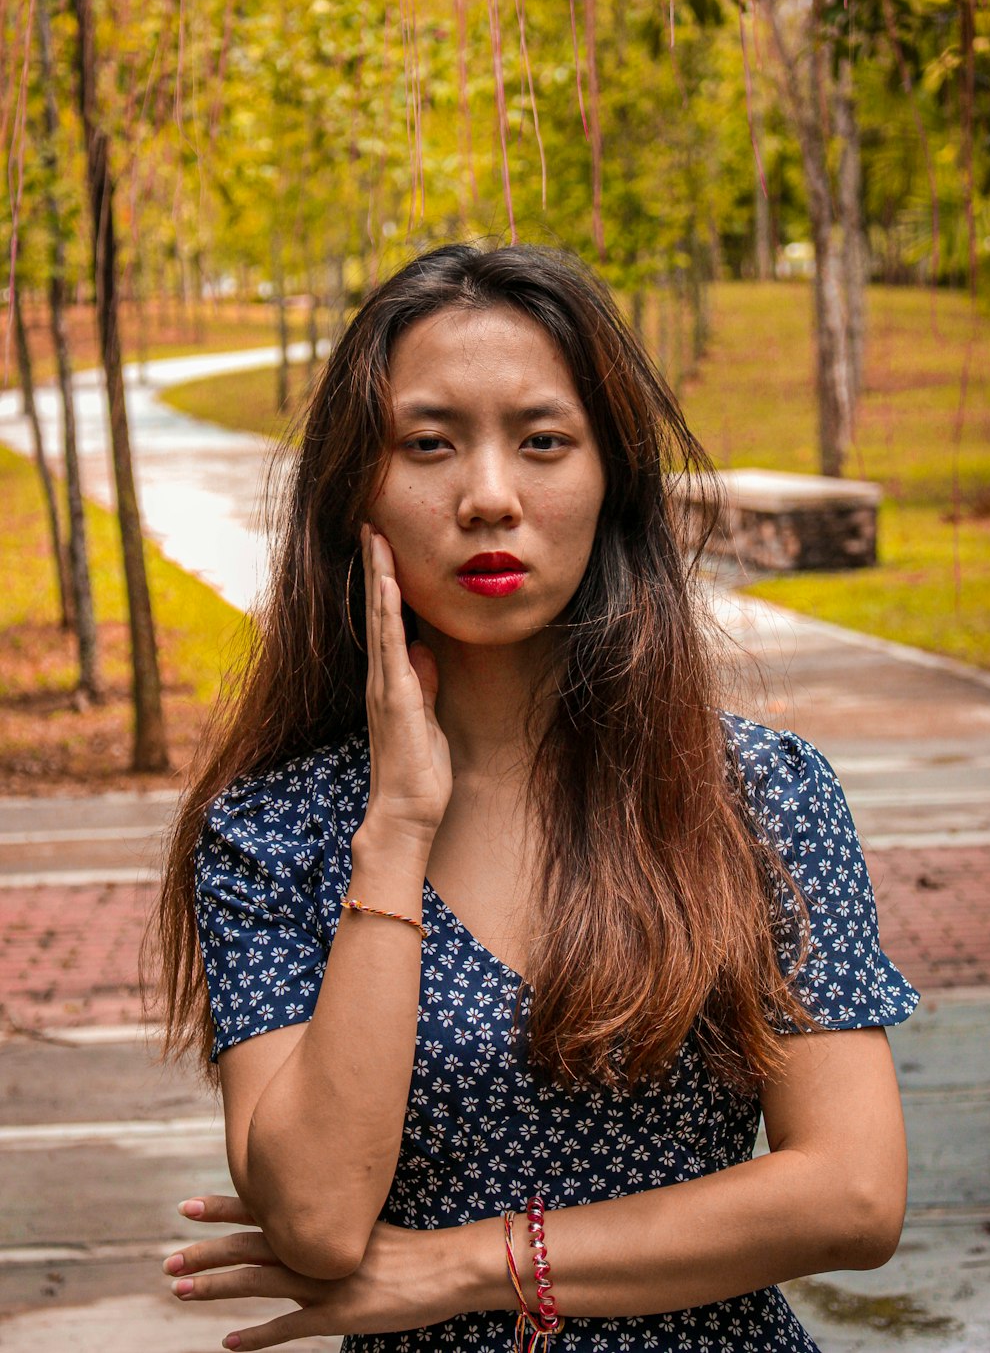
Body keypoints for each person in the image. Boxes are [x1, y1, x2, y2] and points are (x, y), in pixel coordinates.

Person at [149, 242, 919, 1353]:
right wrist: (398, 829)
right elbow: (315, 1221)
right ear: (353, 490)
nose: (489, 498)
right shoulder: (278, 836)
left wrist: (474, 1263)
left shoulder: (753, 796)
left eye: (543, 442)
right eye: (428, 445)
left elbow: (851, 1194)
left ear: (610, 480)